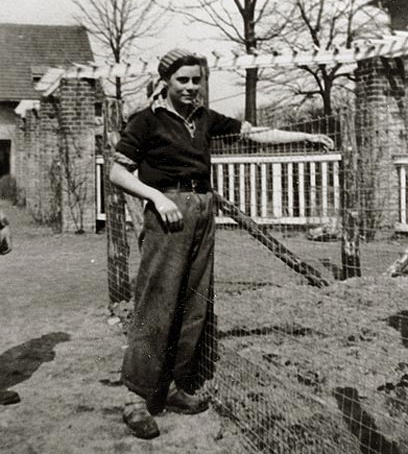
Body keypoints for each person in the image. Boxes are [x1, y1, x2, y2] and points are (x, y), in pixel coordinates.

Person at [110, 48, 333, 439]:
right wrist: (157, 198)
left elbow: (253, 132)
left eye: (196, 80)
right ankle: (135, 398)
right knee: (157, 301)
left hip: (202, 210)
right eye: (182, 80)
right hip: (168, 211)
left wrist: (306, 135)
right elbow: (117, 172)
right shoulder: (146, 121)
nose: (190, 87)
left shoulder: (204, 118)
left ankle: (174, 386)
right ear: (165, 82)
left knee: (194, 302)